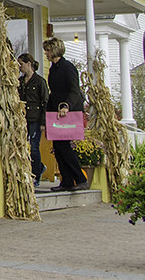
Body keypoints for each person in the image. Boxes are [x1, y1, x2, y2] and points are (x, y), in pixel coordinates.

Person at [44, 37, 88, 191]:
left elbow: (74, 89)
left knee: (64, 146)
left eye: (48, 51)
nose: (46, 54)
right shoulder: (53, 69)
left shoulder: (67, 67)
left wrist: (67, 106)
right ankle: (67, 181)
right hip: (56, 112)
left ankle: (80, 178)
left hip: (67, 111)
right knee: (57, 146)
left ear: (55, 50)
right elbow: (53, 92)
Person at [18, 52, 49, 185]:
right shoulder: (20, 82)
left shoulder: (40, 81)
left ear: (29, 64)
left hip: (35, 118)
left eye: (22, 64)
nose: (20, 67)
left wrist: (43, 122)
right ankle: (34, 169)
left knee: (34, 146)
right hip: (23, 118)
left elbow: (45, 101)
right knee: (23, 146)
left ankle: (36, 175)